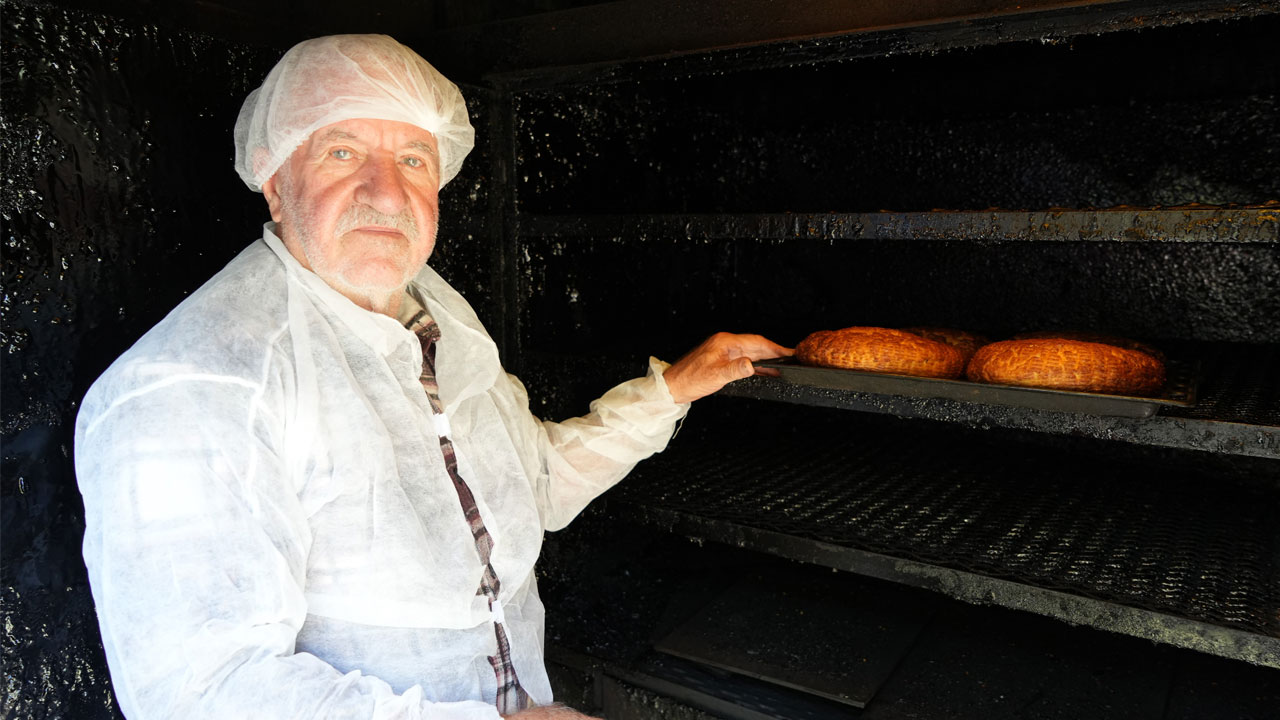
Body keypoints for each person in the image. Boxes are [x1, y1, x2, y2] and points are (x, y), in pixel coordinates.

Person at [74, 34, 790, 719]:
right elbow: (202, 696)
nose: (386, 194)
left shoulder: (430, 309)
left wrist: (667, 393)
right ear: (272, 178)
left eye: (415, 159)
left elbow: (528, 483)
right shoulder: (196, 387)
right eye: (343, 151)